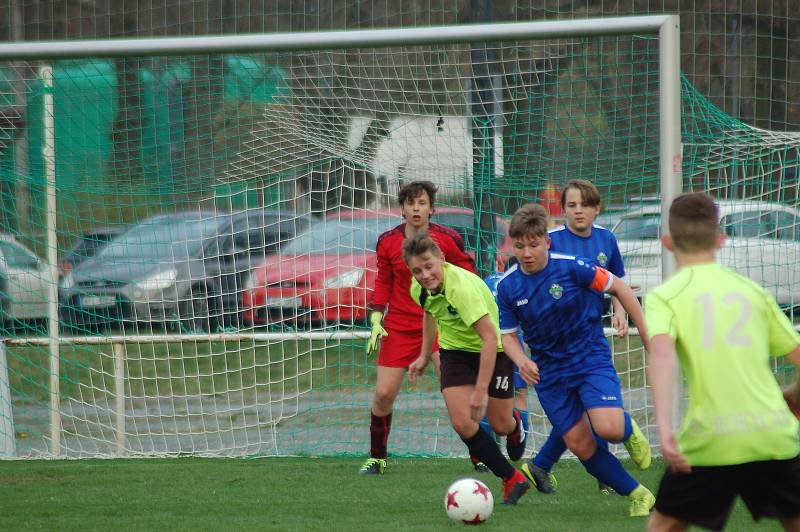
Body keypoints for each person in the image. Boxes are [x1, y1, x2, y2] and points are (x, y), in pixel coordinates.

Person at [645, 192, 800, 532]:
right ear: (720, 239)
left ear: (667, 243)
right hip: (771, 434)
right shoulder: (752, 291)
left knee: (662, 527)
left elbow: (662, 354)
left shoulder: (664, 297)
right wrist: (793, 395)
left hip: (710, 439)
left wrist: (664, 428)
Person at [495, 202, 655, 517]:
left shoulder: (572, 267)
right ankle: (638, 493)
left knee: (608, 428)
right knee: (581, 445)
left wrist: (648, 337)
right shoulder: (508, 286)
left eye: (534, 244)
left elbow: (620, 287)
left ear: (546, 242)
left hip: (588, 357)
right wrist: (521, 360)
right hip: (549, 375)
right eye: (520, 245)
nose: (527, 252)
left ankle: (628, 429)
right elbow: (508, 335)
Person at [523, 179, 646, 495]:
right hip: (554, 344)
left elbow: (617, 281)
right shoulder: (550, 241)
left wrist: (619, 310)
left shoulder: (606, 239)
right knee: (583, 412)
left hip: (588, 334)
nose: (578, 211)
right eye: (571, 205)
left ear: (597, 209)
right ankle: (582, 469)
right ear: (562, 209)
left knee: (587, 407)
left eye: (585, 205)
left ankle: (544, 465)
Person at [360, 180, 484, 475]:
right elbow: (384, 281)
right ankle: (377, 457)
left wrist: (470, 311)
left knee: (456, 396)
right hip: (400, 326)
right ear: (402, 208)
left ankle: (480, 456)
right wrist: (377, 316)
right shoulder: (388, 241)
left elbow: (467, 274)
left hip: (442, 325)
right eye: (411, 203)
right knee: (383, 394)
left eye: (422, 203)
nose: (416, 208)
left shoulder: (447, 239)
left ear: (431, 208)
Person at [404, 233, 536, 504]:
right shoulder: (418, 288)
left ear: (441, 257)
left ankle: (515, 426)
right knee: (463, 423)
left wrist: (480, 391)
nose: (425, 274)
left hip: (494, 350)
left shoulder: (460, 288)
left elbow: (489, 337)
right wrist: (425, 355)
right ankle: (512, 479)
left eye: (429, 266)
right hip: (454, 353)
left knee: (499, 425)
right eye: (417, 270)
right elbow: (430, 313)